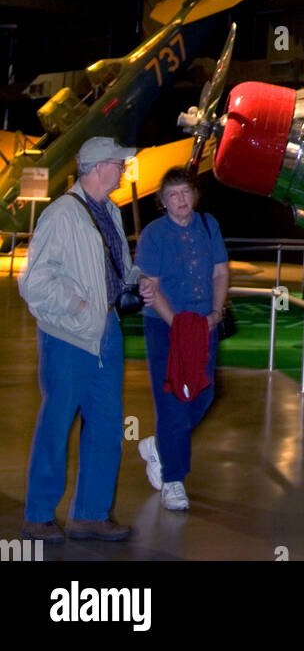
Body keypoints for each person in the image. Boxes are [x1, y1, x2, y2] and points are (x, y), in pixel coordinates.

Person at [18, 136, 138, 543]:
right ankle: (38, 516)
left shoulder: (111, 212)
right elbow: (33, 281)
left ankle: (90, 514)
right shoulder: (60, 215)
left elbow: (117, 266)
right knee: (57, 424)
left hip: (107, 332)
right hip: (69, 336)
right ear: (98, 167)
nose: (123, 169)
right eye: (118, 163)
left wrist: (138, 283)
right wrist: (80, 306)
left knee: (106, 426)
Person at [135, 167, 229, 511]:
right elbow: (151, 286)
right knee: (175, 399)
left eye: (185, 193)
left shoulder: (208, 225)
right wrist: (179, 327)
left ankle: (160, 447)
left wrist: (216, 314)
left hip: (205, 323)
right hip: (167, 327)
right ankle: (173, 480)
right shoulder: (154, 235)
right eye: (173, 195)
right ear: (162, 202)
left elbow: (220, 271)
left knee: (203, 394)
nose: (181, 201)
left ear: (194, 195)